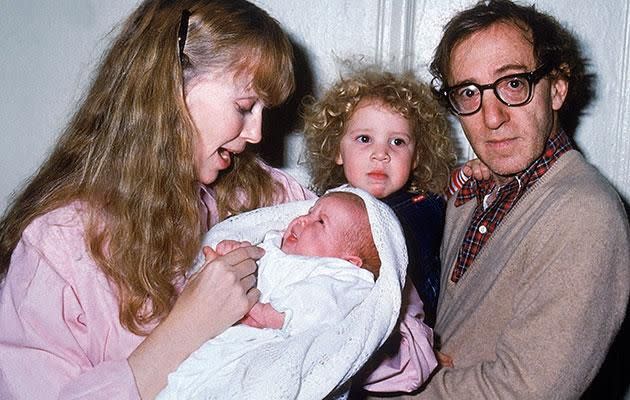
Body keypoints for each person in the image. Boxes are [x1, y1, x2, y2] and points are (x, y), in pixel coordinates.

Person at [0, 1, 315, 399]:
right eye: (245, 107)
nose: (256, 133)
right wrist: (187, 329)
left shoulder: (266, 196)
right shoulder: (58, 248)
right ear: (170, 90)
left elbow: (384, 309)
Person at [382, 0, 630, 398]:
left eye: (514, 84)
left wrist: (382, 388)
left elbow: (524, 391)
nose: (492, 117)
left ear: (557, 87)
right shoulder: (471, 193)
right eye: (468, 92)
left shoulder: (584, 213)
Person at [302, 66, 455, 393]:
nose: (381, 153)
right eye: (364, 139)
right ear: (336, 150)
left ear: (416, 158)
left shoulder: (421, 208)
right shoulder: (322, 206)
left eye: (397, 142)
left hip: (390, 340)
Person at [158, 191, 396, 398]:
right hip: (225, 337)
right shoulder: (273, 243)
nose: (303, 220)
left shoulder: (342, 277)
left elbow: (319, 309)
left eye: (320, 222)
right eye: (310, 211)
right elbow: (253, 261)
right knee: (186, 378)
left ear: (349, 261)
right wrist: (234, 254)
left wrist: (260, 312)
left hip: (268, 348)